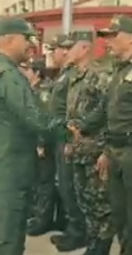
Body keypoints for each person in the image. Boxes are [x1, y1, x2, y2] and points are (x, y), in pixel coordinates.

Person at [69, 15, 132, 255]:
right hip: (117, 153)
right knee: (120, 218)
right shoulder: (119, 72)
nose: (108, 41)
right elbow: (106, 113)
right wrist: (85, 130)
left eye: (114, 36)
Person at [0, 16, 63, 255]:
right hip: (4, 179)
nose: (31, 45)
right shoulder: (6, 74)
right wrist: (69, 131)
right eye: (27, 38)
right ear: (10, 39)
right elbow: (35, 118)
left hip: (0, 176)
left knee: (6, 243)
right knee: (2, 245)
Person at [64, 31, 115, 254]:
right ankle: (92, 243)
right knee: (84, 201)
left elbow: (108, 110)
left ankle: (101, 247)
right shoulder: (75, 76)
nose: (66, 52)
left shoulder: (100, 75)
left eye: (70, 47)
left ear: (84, 48)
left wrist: (106, 150)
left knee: (100, 205)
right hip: (79, 150)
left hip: (96, 150)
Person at [46, 34, 87, 252]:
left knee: (69, 186)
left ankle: (78, 232)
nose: (54, 53)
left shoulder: (73, 75)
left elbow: (74, 107)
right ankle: (71, 228)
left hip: (68, 137)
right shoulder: (63, 74)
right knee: (63, 184)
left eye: (56, 49)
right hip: (59, 137)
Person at [17, 56, 65, 236]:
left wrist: (41, 142)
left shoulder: (43, 92)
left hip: (44, 145)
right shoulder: (30, 90)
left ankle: (43, 220)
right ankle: (38, 215)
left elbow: (45, 119)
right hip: (32, 143)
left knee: (45, 182)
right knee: (37, 182)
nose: (23, 72)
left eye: (27, 69)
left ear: (37, 72)